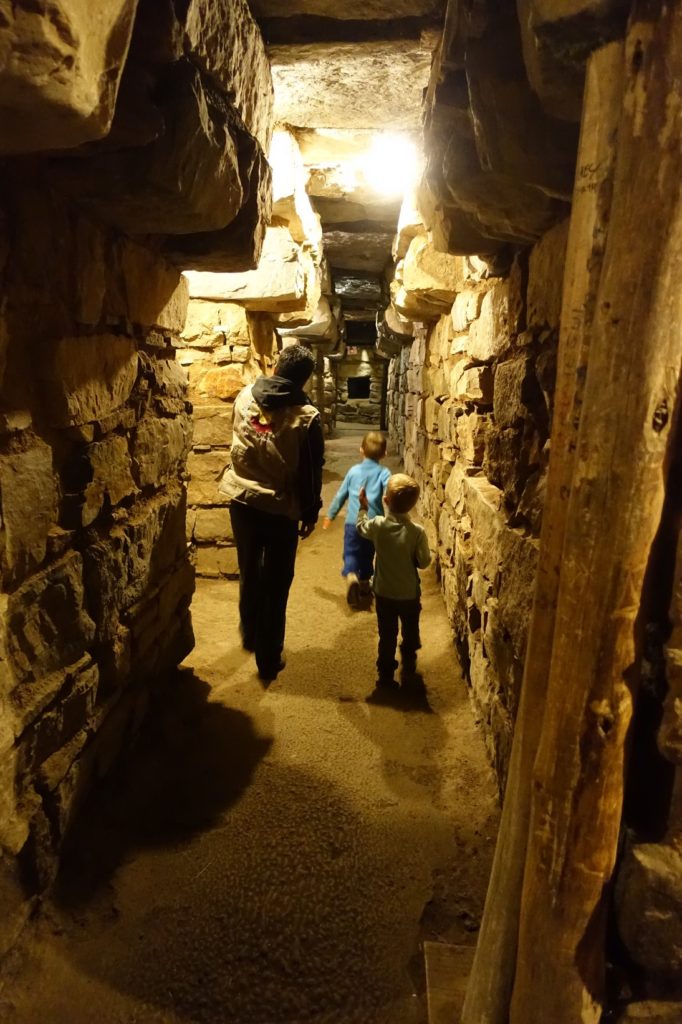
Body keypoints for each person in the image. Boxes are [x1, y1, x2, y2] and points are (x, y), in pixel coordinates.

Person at [219, 344, 324, 682]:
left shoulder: (244, 395)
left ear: (277, 366)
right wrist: (310, 510)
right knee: (277, 582)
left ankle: (250, 630)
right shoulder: (307, 417)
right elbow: (311, 470)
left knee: (249, 568)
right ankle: (268, 657)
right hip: (280, 507)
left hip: (242, 499)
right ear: (304, 380)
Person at [357, 473, 431, 689]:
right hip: (409, 594)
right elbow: (424, 562)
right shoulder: (417, 532)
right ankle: (409, 659)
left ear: (385, 500)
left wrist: (363, 508)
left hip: (384, 592)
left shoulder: (378, 525)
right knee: (410, 628)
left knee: (387, 634)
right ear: (413, 504)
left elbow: (361, 527)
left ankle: (385, 673)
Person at [322, 431, 391, 607]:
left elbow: (341, 495)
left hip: (353, 522)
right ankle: (365, 584)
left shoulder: (353, 471)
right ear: (384, 454)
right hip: (374, 524)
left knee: (351, 552)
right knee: (368, 554)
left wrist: (330, 515)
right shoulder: (384, 473)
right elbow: (390, 490)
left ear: (361, 450)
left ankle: (352, 575)